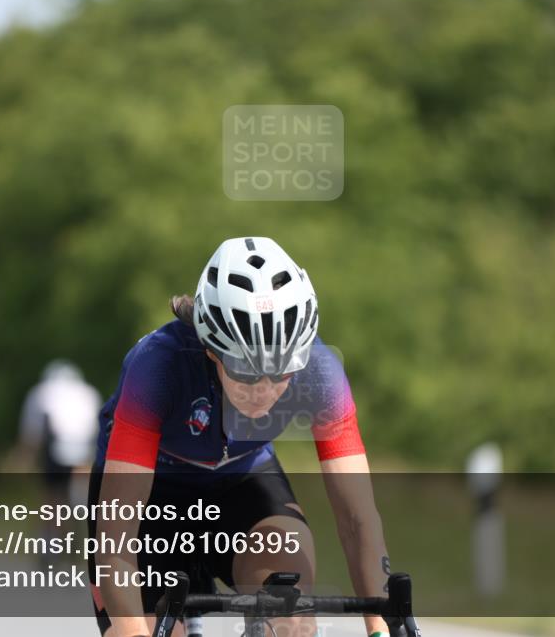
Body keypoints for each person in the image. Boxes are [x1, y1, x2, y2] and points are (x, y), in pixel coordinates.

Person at [89, 237, 392, 637]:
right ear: (212, 351)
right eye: (247, 373)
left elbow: (357, 520)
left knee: (291, 620)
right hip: (151, 502)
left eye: (281, 372)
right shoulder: (158, 367)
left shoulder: (320, 371)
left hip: (243, 481)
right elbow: (118, 536)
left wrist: (380, 628)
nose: (264, 389)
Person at [13, 360, 102, 563]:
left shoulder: (40, 393)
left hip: (55, 449)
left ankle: (50, 545)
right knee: (80, 499)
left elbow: (32, 434)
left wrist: (23, 458)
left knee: (52, 499)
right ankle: (79, 538)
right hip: (83, 451)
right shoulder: (88, 393)